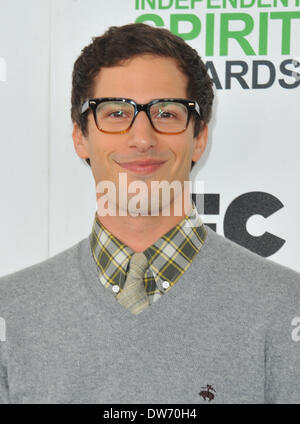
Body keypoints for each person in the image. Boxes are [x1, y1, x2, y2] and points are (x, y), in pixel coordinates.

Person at [0, 23, 299, 404]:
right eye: (115, 113)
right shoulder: (10, 312)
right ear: (80, 136)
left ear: (199, 138)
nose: (142, 138)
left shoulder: (286, 306)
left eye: (167, 113)